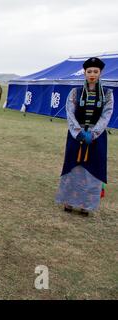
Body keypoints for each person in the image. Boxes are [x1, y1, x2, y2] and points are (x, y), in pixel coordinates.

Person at [56, 57, 114, 216]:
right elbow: (70, 112)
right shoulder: (75, 92)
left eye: (96, 71)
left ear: (100, 73)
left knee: (92, 169)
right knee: (72, 167)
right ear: (85, 73)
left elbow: (106, 115)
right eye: (89, 71)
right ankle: (68, 202)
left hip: (97, 136)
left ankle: (85, 205)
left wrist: (93, 133)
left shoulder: (108, 94)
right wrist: (78, 132)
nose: (92, 74)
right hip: (76, 135)